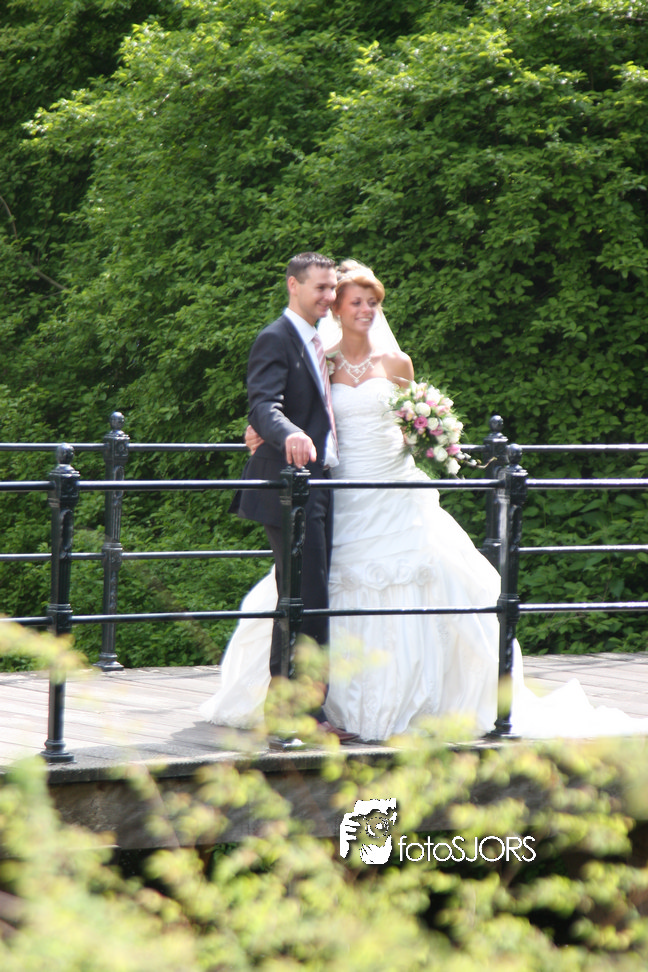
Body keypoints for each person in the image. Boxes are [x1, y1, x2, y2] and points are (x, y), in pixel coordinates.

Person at [201, 261, 648, 742]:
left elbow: (407, 423)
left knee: (415, 578)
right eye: (355, 301)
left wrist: (433, 432)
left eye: (373, 302)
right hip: (338, 489)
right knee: (310, 593)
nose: (366, 310)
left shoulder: (398, 364)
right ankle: (304, 707)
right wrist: (264, 432)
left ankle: (404, 701)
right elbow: (288, 405)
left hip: (394, 488)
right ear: (336, 307)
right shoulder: (320, 359)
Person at [229, 252, 338, 694]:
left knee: (303, 594)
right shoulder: (275, 338)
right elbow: (263, 404)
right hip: (288, 484)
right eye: (320, 288)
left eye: (332, 288)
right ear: (294, 285)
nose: (329, 296)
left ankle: (287, 701)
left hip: (320, 481)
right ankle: (302, 708)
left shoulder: (320, 339)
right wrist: (288, 432)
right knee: (304, 596)